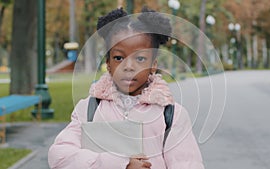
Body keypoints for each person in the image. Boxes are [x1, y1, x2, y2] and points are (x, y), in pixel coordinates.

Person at [48, 7, 205, 169]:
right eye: (118, 57)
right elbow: (59, 157)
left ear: (153, 65)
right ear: (108, 63)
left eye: (140, 58)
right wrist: (119, 164)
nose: (128, 66)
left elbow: (188, 164)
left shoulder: (171, 115)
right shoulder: (89, 109)